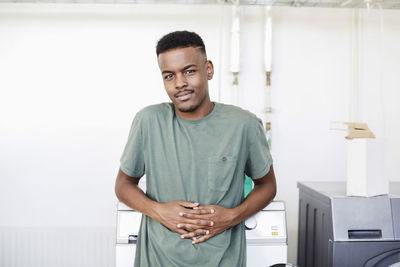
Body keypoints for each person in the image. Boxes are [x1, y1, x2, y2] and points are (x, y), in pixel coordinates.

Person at [114, 30, 276, 267]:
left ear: (208, 69)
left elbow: (267, 185)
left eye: (189, 71)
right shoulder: (148, 121)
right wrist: (158, 210)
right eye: (169, 76)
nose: (180, 83)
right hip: (158, 260)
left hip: (223, 261)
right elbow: (123, 184)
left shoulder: (243, 125)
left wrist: (232, 216)